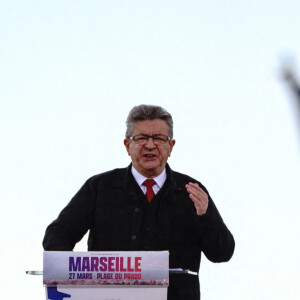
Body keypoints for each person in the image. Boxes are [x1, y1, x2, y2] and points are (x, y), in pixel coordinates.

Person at [43, 104, 235, 300]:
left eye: (159, 138)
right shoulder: (100, 188)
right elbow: (57, 235)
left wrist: (206, 215)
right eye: (141, 138)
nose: (150, 145)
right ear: (127, 145)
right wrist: (72, 277)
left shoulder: (191, 191)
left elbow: (223, 253)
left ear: (171, 146)